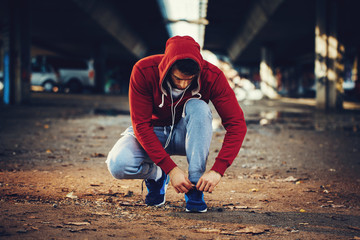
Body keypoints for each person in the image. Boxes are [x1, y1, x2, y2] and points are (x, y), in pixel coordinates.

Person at [106, 36, 247, 212]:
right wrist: (170, 169)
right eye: (178, 78)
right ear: (167, 67)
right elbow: (141, 125)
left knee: (199, 107)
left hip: (186, 135)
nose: (183, 84)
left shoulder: (212, 76)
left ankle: (194, 188)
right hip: (152, 132)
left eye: (189, 80)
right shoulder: (143, 70)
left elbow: (237, 125)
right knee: (118, 164)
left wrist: (218, 170)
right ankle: (158, 175)